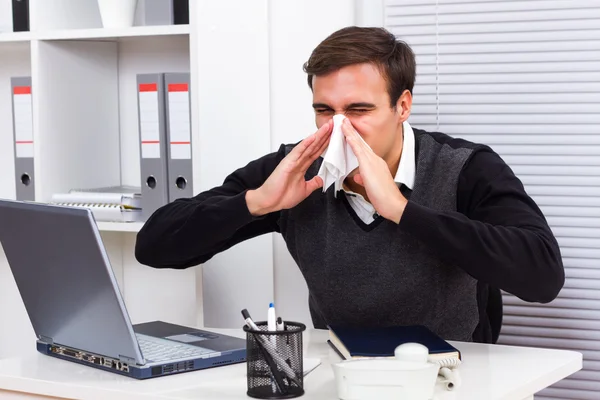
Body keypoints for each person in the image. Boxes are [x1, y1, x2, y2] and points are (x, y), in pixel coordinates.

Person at [135, 26, 564, 343]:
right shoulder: (296, 167)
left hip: (453, 372)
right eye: (325, 110)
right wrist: (255, 202)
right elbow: (153, 247)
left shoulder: (466, 167)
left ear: (403, 106)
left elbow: (542, 277)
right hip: (342, 369)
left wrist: (400, 209)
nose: (339, 127)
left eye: (359, 109)